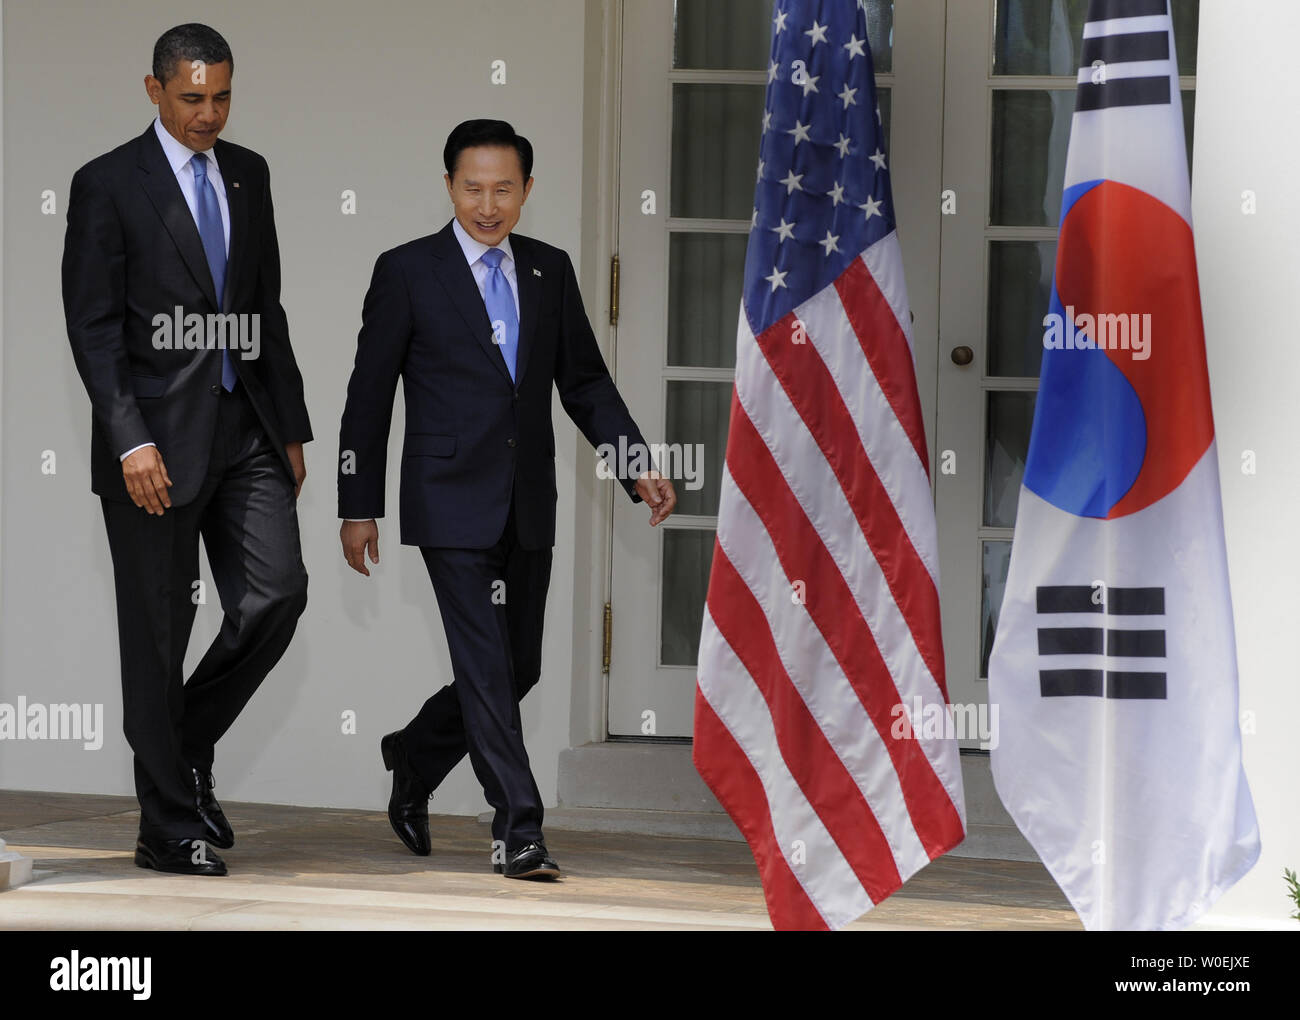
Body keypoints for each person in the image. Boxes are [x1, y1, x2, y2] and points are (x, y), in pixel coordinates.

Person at [338, 119, 675, 879]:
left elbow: (583, 382)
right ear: (449, 185)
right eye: (471, 188)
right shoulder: (408, 270)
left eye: (502, 189)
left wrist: (636, 462)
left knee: (516, 665)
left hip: (526, 500)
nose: (486, 205)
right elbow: (369, 396)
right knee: (487, 666)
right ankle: (518, 829)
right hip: (447, 501)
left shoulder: (549, 271)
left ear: (526, 190)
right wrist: (358, 504)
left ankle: (415, 756)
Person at [61, 23, 312, 877]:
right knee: (159, 638)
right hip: (153, 455)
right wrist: (128, 438)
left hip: (245, 433)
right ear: (154, 90)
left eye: (223, 97)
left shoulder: (250, 173)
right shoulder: (105, 184)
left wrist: (290, 425)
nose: (210, 115)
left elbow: (264, 308)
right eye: (193, 98)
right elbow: (93, 329)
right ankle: (165, 826)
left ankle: (186, 743)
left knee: (277, 594)